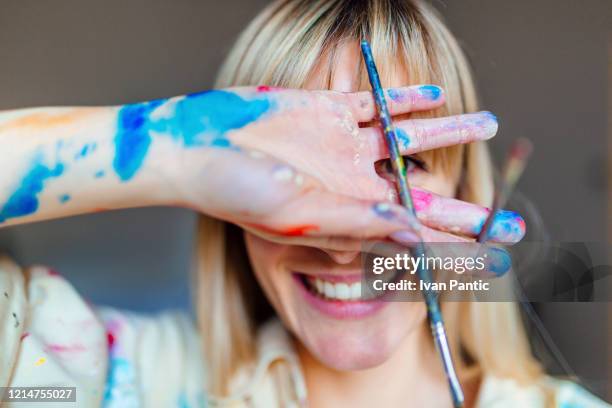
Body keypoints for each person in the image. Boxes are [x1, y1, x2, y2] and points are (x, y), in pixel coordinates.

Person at [0, 0, 607, 407]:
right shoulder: (125, 380)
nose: (343, 242)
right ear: (225, 207)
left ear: (470, 200)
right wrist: (160, 148)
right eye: (292, 172)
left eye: (400, 164)